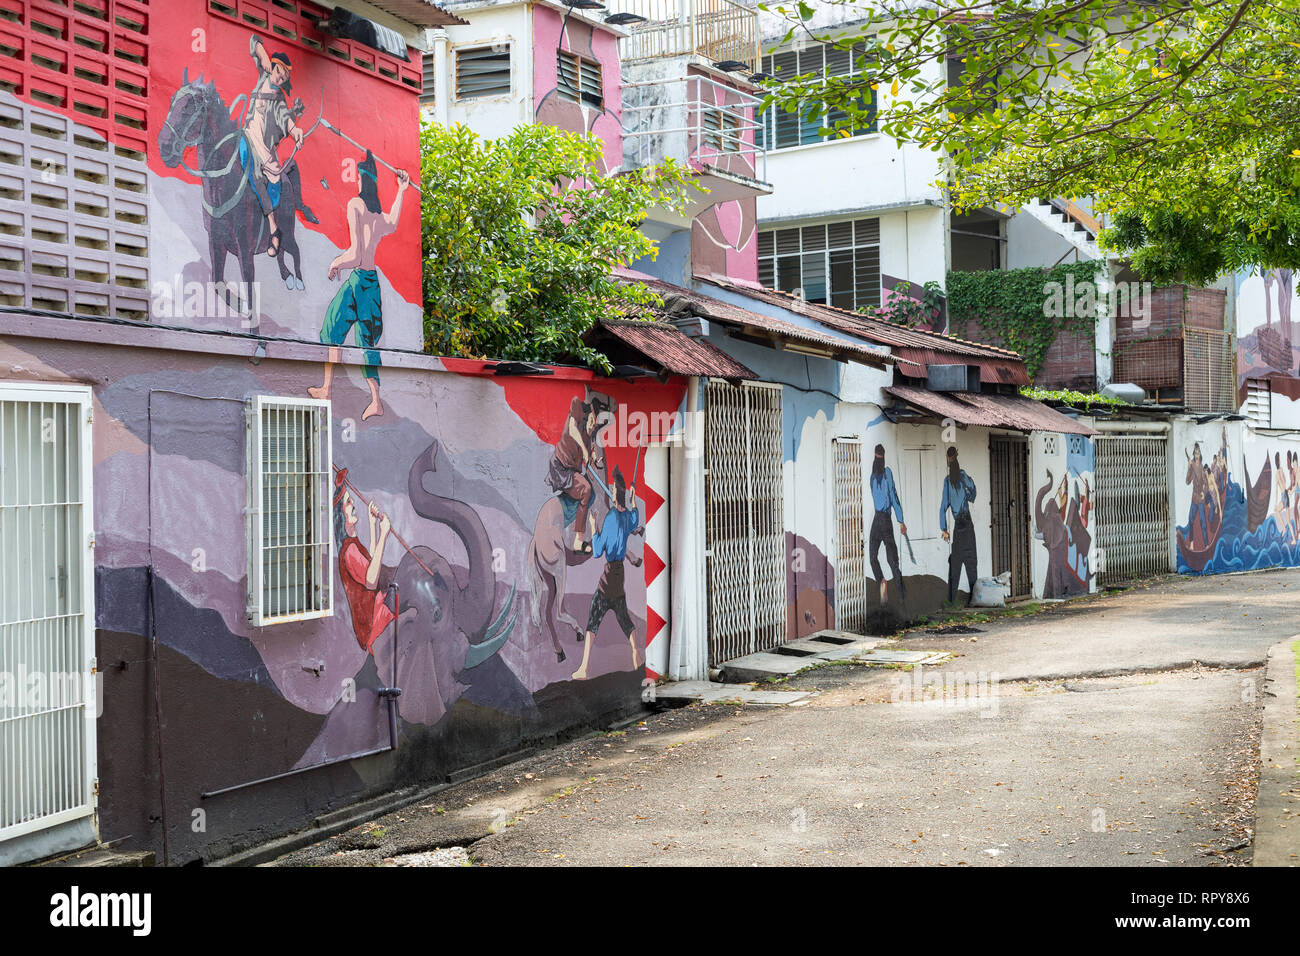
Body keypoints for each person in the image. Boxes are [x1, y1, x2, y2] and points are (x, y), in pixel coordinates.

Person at [308, 152, 410, 420]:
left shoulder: (356, 205)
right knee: (365, 341)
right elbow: (395, 222)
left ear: (362, 181)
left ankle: (331, 389)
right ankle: (367, 398)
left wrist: (335, 263)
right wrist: (402, 190)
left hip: (358, 280)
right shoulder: (378, 217)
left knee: (333, 328)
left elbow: (354, 254)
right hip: (370, 282)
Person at [571, 468, 642, 681]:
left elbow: (599, 550)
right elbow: (635, 518)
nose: (610, 491)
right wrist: (633, 499)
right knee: (623, 616)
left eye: (612, 489)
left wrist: (593, 527)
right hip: (619, 574)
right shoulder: (626, 516)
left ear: (613, 494)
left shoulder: (611, 518)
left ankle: (584, 668)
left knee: (594, 615)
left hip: (610, 573)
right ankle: (636, 654)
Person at [240, 36, 304, 258]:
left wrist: (295, 130)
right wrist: (262, 52)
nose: (279, 78)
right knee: (245, 161)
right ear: (273, 67)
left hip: (265, 148)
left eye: (283, 77)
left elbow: (285, 118)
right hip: (248, 136)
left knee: (274, 184)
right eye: (279, 73)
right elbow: (253, 41)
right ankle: (272, 226)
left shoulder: (279, 99)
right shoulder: (262, 76)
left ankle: (273, 228)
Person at [333, 470, 397, 654]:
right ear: (341, 515)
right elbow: (371, 580)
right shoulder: (349, 550)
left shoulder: (352, 543)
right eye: (347, 502)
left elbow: (369, 560)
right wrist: (384, 534)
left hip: (374, 610)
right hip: (372, 622)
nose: (352, 503)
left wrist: (372, 523)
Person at [547, 393, 608, 554]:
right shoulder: (576, 407)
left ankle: (571, 515)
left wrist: (595, 459)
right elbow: (572, 429)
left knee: (590, 492)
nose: (593, 427)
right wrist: (585, 451)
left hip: (571, 472)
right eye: (593, 422)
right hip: (560, 468)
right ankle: (578, 542)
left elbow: (592, 452)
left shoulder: (588, 437)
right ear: (588, 416)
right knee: (586, 490)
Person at [867, 444, 907, 604]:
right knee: (893, 561)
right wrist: (901, 520)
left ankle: (881, 580)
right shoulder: (887, 473)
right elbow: (893, 496)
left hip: (876, 521)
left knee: (872, 557)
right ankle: (901, 595)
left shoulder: (872, 478)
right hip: (885, 520)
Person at [940, 446, 978, 606]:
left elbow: (943, 507)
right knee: (971, 562)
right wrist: (968, 495)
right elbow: (973, 493)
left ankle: (951, 600)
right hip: (967, 522)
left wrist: (944, 529)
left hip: (957, 525)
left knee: (955, 564)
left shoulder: (947, 481)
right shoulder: (962, 476)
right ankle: (975, 599)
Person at [1184, 442, 1212, 546]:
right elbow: (1187, 482)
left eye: (1198, 453)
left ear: (1200, 454)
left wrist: (1204, 493)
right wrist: (1188, 468)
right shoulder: (1192, 467)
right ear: (1193, 454)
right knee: (1190, 520)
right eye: (1195, 453)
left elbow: (1207, 484)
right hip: (1194, 497)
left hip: (1200, 498)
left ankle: (1206, 544)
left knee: (1203, 523)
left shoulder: (1202, 468)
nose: (1197, 455)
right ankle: (1191, 542)